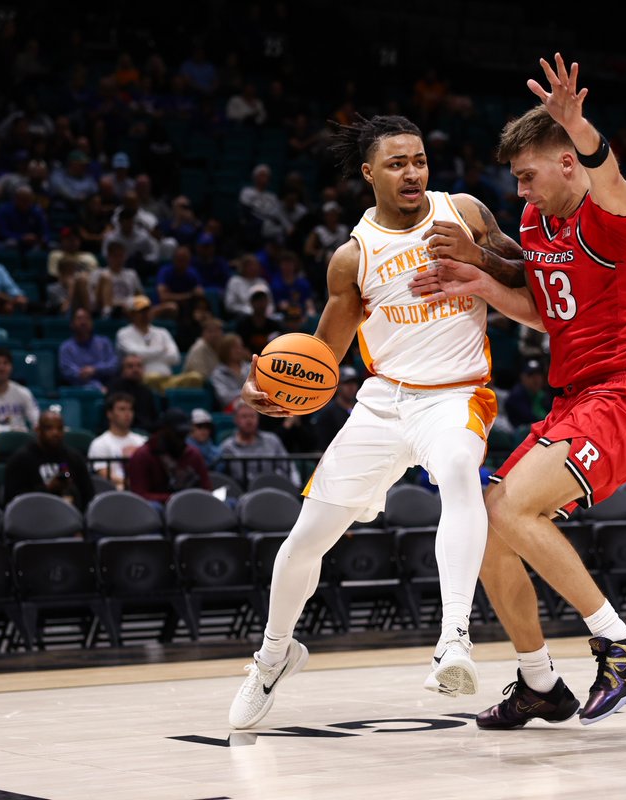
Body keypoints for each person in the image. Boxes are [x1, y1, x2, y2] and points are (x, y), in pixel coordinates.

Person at [408, 55, 626, 728]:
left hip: (625, 398)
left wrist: (579, 126)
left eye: (527, 176)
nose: (521, 192)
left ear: (565, 165)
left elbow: (608, 175)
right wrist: (481, 284)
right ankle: (538, 681)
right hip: (573, 400)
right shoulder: (535, 228)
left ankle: (619, 641)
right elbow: (545, 310)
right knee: (489, 521)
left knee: (513, 510)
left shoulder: (612, 219)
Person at [229, 112, 512, 730]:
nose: (412, 172)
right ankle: (273, 656)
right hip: (383, 402)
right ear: (369, 173)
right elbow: (324, 355)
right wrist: (278, 389)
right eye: (396, 163)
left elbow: (533, 282)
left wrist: (480, 258)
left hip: (456, 395)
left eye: (419, 160)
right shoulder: (351, 258)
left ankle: (454, 641)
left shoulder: (464, 212)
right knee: (305, 540)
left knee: (462, 474)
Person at [4, 408, 95, 510]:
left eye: (59, 428)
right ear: (38, 430)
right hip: (32, 517)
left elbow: (88, 494)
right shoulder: (21, 459)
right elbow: (12, 499)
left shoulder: (74, 458)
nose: (55, 433)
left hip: (70, 516)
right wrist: (47, 488)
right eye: (49, 428)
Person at [125, 407, 211, 505]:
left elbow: (207, 488)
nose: (181, 440)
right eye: (177, 435)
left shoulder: (192, 454)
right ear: (163, 431)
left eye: (184, 435)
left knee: (229, 503)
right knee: (154, 507)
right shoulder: (143, 455)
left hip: (192, 506)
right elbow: (139, 495)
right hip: (158, 509)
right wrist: (173, 498)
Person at [217, 402, 299, 487]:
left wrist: (297, 486)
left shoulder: (272, 440)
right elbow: (239, 478)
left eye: (252, 416)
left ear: (258, 418)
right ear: (235, 419)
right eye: (244, 416)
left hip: (274, 489)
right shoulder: (228, 447)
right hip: (244, 495)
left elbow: (289, 467)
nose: (249, 420)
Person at [87, 392, 146, 490]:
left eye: (130, 409)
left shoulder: (142, 441)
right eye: (122, 409)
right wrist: (131, 483)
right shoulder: (100, 443)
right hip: (114, 492)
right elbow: (104, 474)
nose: (127, 414)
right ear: (109, 414)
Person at [0, 347, 39, 437]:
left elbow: (36, 420)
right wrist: (14, 430)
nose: (1, 368)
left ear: (11, 367)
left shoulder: (23, 392)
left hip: (23, 440)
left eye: (6, 363)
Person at [59, 307, 118, 391]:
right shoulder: (66, 347)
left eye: (86, 318)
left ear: (92, 323)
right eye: (79, 319)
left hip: (108, 387)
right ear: (72, 324)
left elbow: (113, 365)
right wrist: (97, 387)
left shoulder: (104, 343)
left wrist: (95, 369)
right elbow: (69, 372)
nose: (83, 322)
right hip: (79, 391)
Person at [308, 365, 359, 451]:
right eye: (346, 383)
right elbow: (322, 444)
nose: (351, 387)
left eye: (354, 382)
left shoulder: (360, 409)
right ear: (338, 385)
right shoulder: (327, 412)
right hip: (336, 457)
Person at [106, 354, 160, 431]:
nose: (135, 369)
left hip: (147, 431)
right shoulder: (115, 388)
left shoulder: (147, 391)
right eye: (130, 366)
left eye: (139, 366)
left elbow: (154, 417)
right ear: (122, 370)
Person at [504, 359, 551, 428]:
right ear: (523, 377)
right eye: (531, 375)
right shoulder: (516, 396)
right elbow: (530, 418)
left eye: (538, 375)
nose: (536, 379)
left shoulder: (543, 394)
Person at [210, 334, 251, 410]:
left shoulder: (250, 367)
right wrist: (248, 392)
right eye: (235, 348)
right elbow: (224, 397)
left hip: (254, 405)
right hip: (232, 408)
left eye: (240, 347)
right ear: (225, 350)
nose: (239, 350)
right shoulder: (218, 374)